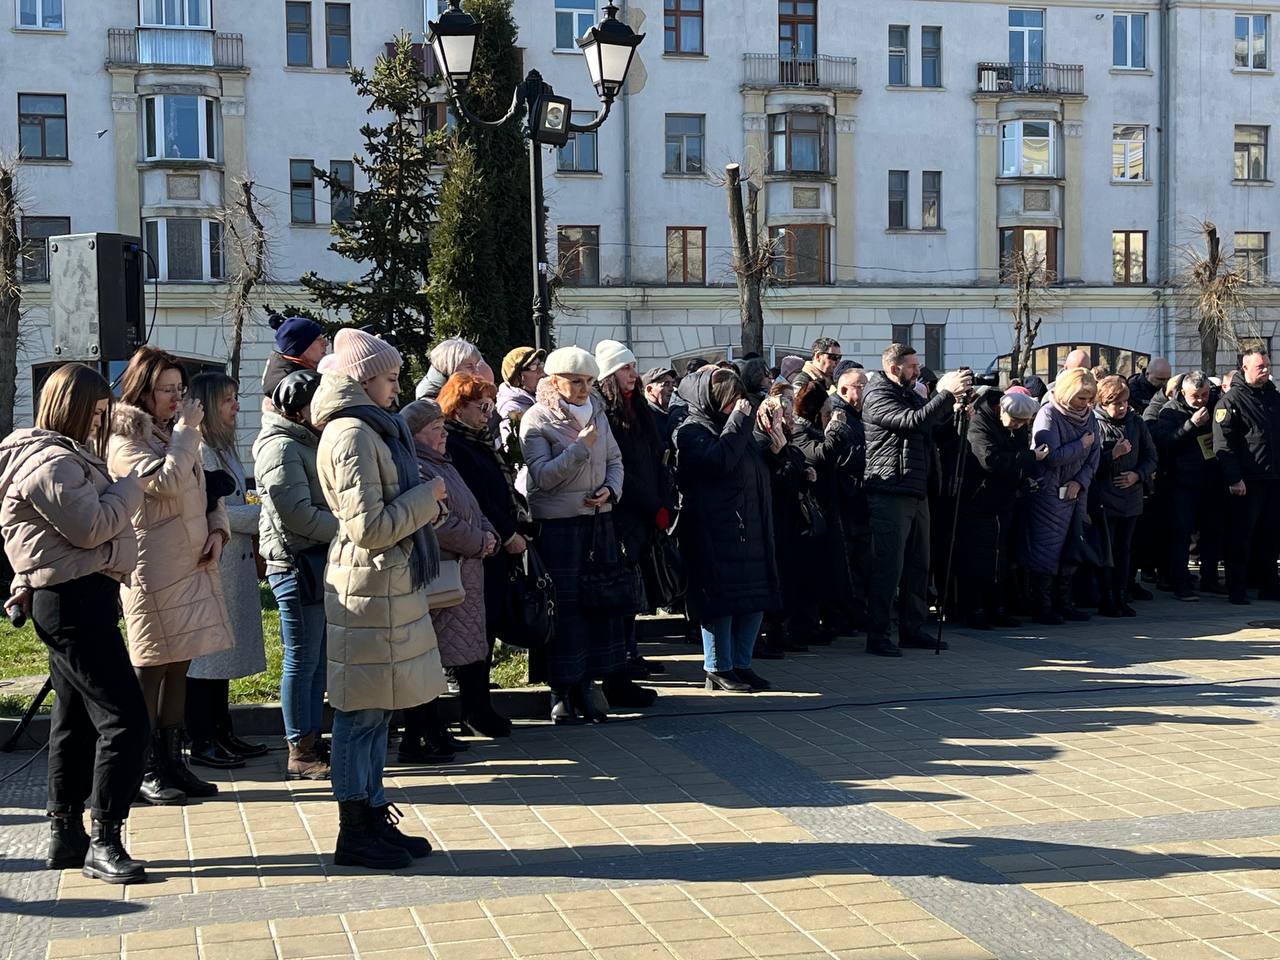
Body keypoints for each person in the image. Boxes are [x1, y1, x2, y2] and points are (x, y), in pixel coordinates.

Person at [0, 364, 150, 884]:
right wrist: (129, 492)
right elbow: (90, 527)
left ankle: (66, 834)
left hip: (74, 598)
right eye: (99, 411)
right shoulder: (51, 463)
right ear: (74, 407)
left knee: (75, 720)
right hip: (73, 602)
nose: (103, 420)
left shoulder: (57, 456)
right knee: (126, 719)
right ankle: (104, 837)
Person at [313, 327, 447, 869]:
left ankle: (372, 812)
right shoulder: (350, 434)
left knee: (377, 712)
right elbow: (368, 526)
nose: (398, 387)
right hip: (367, 587)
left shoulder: (373, 427)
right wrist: (426, 497)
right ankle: (354, 830)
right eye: (391, 378)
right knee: (359, 713)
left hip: (384, 586)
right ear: (364, 379)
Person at [108, 347, 233, 805]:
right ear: (143, 391)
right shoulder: (125, 440)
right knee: (151, 666)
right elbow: (165, 483)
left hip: (192, 562)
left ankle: (174, 760)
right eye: (167, 390)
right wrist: (186, 434)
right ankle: (143, 766)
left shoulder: (175, 434)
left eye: (180, 390)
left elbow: (204, 488)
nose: (177, 399)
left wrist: (219, 531)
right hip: (154, 569)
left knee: (180, 662)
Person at [520, 347, 626, 723]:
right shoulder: (537, 418)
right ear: (554, 381)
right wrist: (581, 447)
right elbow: (542, 476)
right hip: (559, 525)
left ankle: (588, 684)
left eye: (589, 382)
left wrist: (610, 490)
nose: (584, 389)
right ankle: (560, 689)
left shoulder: (597, 412)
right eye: (576, 382)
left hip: (598, 521)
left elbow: (615, 460)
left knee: (596, 606)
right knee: (563, 611)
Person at [401, 396, 506, 759]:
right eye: (435, 430)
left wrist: (488, 532)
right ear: (415, 435)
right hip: (442, 574)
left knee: (440, 656)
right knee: (427, 659)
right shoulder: (418, 467)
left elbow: (471, 506)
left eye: (443, 428)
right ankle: (419, 734)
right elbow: (438, 520)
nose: (443, 435)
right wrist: (479, 541)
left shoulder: (442, 462)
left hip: (464, 571)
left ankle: (434, 730)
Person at [861, 344, 972, 656]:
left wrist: (954, 410)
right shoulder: (878, 394)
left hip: (915, 488)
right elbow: (912, 422)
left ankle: (913, 628)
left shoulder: (908, 391)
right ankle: (879, 634)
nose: (918, 371)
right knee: (888, 567)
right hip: (890, 490)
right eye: (912, 366)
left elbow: (932, 427)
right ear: (895, 368)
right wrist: (944, 394)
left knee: (917, 565)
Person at [674, 368, 781, 692]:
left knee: (752, 600)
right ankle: (718, 667)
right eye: (730, 401)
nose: (738, 406)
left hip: (750, 526)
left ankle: (742, 663)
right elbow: (719, 462)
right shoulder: (691, 430)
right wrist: (738, 422)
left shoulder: (738, 428)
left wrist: (777, 449)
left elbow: (756, 467)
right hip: (714, 530)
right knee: (719, 602)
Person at [253, 369, 337, 780]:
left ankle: (311, 738)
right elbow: (298, 516)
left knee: (316, 659)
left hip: (314, 561)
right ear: (300, 408)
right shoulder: (282, 448)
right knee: (301, 659)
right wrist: (350, 527)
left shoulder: (303, 441)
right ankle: (299, 749)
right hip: (296, 564)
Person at [185, 373, 268, 769]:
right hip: (214, 564)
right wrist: (260, 516)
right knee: (208, 658)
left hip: (232, 565)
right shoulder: (200, 451)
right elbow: (205, 512)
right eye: (228, 400)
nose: (236, 406)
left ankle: (222, 730)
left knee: (223, 655)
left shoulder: (223, 448)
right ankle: (202, 737)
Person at [596, 340, 672, 700]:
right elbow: (622, 467)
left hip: (647, 512)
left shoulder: (638, 409)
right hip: (625, 513)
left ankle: (632, 653)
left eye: (634, 367)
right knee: (624, 589)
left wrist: (664, 501)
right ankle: (622, 659)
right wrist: (651, 504)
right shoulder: (608, 414)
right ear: (610, 375)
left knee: (636, 588)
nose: (634, 375)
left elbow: (653, 458)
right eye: (627, 369)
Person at [958, 389, 1046, 628]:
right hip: (980, 499)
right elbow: (990, 460)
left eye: (1022, 423)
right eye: (1015, 421)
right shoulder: (980, 424)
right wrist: (1028, 458)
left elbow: (1013, 455)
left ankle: (997, 607)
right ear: (1001, 410)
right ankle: (975, 609)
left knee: (1001, 556)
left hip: (1005, 499)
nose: (1018, 427)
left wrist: (1024, 474)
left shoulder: (1014, 427)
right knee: (980, 556)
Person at [1022, 369, 1101, 624]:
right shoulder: (1048, 414)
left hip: (1076, 492)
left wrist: (1080, 481)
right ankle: (1041, 606)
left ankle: (1064, 601)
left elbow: (1094, 458)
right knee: (1046, 550)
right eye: (1081, 398)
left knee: (1072, 547)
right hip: (1049, 493)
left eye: (1089, 398)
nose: (1086, 404)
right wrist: (1081, 445)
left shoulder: (1089, 418)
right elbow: (1050, 455)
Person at [1213, 347, 1280, 604]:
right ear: (1245, 368)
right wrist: (1233, 478)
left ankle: (1269, 585)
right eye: (1260, 367)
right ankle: (1237, 588)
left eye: (1267, 366)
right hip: (1247, 482)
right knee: (1241, 537)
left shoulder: (1273, 398)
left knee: (1271, 537)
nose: (1265, 371)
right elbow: (1223, 444)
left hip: (1273, 478)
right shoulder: (1232, 402)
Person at [791, 381, 854, 644]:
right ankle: (806, 626)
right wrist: (836, 429)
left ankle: (830, 621)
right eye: (826, 413)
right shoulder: (799, 431)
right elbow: (822, 454)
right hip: (807, 514)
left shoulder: (814, 430)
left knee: (830, 570)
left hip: (827, 508)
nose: (830, 417)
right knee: (810, 573)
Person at [1147, 371, 1218, 600]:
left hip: (1209, 479)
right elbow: (1165, 442)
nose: (1201, 400)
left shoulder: (1215, 404)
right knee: (1181, 535)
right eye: (1196, 396)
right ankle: (1180, 584)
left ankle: (1211, 580)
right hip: (1181, 482)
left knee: (1210, 533)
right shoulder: (1170, 410)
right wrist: (1191, 425)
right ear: (1184, 392)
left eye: (1205, 394)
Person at [1093, 376, 1158, 617]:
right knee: (1107, 551)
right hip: (1105, 498)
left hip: (1131, 497)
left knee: (1125, 550)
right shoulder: (1094, 422)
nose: (1122, 407)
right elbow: (1091, 463)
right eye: (1116, 403)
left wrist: (1137, 475)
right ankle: (1106, 598)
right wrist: (1113, 454)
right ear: (1104, 402)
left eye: (1125, 402)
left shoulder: (1136, 422)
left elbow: (1151, 457)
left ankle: (1122, 595)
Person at [262, 312, 328, 402]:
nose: (325, 343)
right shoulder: (298, 386)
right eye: (319, 339)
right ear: (303, 347)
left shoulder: (297, 379)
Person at [496, 346, 546, 456]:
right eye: (533, 367)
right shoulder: (511, 409)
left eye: (540, 364)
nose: (541, 371)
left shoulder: (539, 399)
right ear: (517, 377)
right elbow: (514, 451)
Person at [415, 337, 481, 401]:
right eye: (469, 366)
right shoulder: (429, 400)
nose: (476, 372)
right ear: (450, 367)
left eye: (476, 365)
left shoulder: (459, 387)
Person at [642, 367, 677, 447]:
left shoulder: (672, 413)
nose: (672, 389)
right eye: (666, 384)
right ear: (649, 390)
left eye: (673, 384)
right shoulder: (644, 416)